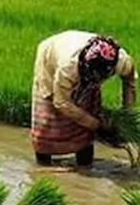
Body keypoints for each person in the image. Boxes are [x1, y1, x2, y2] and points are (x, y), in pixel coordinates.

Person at [31, 31, 135, 168]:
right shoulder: (68, 67)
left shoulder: (121, 61)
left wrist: (126, 116)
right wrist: (96, 124)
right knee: (48, 121)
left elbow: (130, 83)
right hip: (49, 59)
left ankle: (85, 166)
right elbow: (61, 102)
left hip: (78, 56)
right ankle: (43, 165)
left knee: (86, 121)